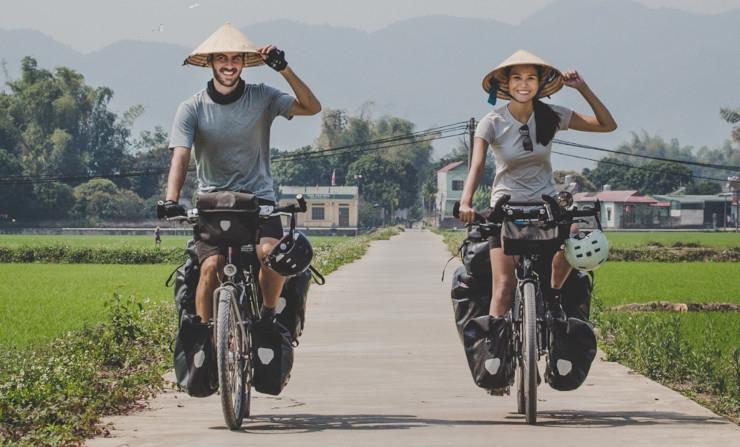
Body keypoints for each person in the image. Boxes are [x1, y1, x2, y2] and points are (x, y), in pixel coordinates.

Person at [457, 50, 616, 390]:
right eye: (517, 78)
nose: (523, 84)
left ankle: (555, 305)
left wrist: (583, 88)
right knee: (503, 287)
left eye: (530, 78)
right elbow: (477, 167)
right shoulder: (492, 122)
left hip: (546, 203)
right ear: (505, 84)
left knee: (572, 236)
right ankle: (496, 368)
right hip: (506, 207)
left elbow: (606, 125)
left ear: (541, 84)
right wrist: (467, 201)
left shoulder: (552, 115)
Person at [158, 22, 321, 324]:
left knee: (270, 255)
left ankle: (268, 319)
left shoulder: (263, 97)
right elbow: (181, 154)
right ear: (210, 63)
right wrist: (171, 199)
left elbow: (312, 107)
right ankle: (206, 341)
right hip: (213, 203)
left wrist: (284, 69)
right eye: (222, 58)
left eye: (236, 59)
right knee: (210, 269)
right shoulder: (191, 107)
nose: (229, 65)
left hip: (259, 201)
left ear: (244, 63)